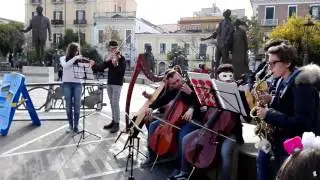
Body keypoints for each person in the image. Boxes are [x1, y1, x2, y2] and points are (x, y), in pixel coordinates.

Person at [168, 64, 246, 180]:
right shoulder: (212, 91)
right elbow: (201, 103)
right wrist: (192, 93)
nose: (228, 79)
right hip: (212, 129)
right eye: (224, 77)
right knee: (186, 139)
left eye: (230, 76)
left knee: (225, 152)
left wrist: (243, 102)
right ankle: (184, 172)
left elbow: (248, 117)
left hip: (231, 133)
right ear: (218, 79)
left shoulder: (239, 93)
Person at [255, 44, 320, 180]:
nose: (270, 67)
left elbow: (302, 123)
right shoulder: (282, 79)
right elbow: (287, 104)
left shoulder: (302, 85)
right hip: (281, 134)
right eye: (269, 63)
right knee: (262, 157)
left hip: (296, 140)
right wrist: (271, 99)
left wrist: (269, 114)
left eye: (274, 63)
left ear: (288, 63)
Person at [140, 70, 202, 169]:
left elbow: (201, 101)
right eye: (174, 83)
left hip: (192, 120)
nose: (177, 84)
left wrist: (191, 98)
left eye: (178, 80)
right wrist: (151, 107)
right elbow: (162, 100)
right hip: (177, 119)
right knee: (153, 125)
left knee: (183, 135)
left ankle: (182, 168)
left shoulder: (192, 86)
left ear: (181, 76)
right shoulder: (174, 90)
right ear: (170, 85)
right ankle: (151, 157)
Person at [92, 40, 126, 133]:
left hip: (117, 84)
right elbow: (101, 67)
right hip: (109, 83)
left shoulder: (122, 59)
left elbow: (121, 72)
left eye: (115, 48)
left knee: (115, 103)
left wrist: (116, 64)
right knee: (112, 103)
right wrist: (94, 64)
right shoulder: (110, 58)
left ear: (117, 48)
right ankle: (113, 121)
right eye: (111, 49)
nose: (113, 50)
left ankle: (117, 123)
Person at [60, 42, 94, 133]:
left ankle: (76, 126)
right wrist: (75, 58)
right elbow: (65, 66)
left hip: (78, 84)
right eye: (75, 51)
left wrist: (90, 64)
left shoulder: (80, 60)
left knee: (77, 105)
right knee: (68, 106)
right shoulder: (63, 58)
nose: (77, 52)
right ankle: (70, 126)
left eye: (78, 51)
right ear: (72, 51)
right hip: (67, 84)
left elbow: (85, 71)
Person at [201, 9, 234, 77]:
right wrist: (205, 38)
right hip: (218, 44)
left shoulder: (230, 24)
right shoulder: (221, 22)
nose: (224, 13)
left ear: (228, 14)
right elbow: (215, 33)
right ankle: (216, 76)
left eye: (225, 13)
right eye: (224, 12)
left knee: (225, 62)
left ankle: (225, 76)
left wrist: (226, 42)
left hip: (224, 45)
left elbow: (231, 33)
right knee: (216, 62)